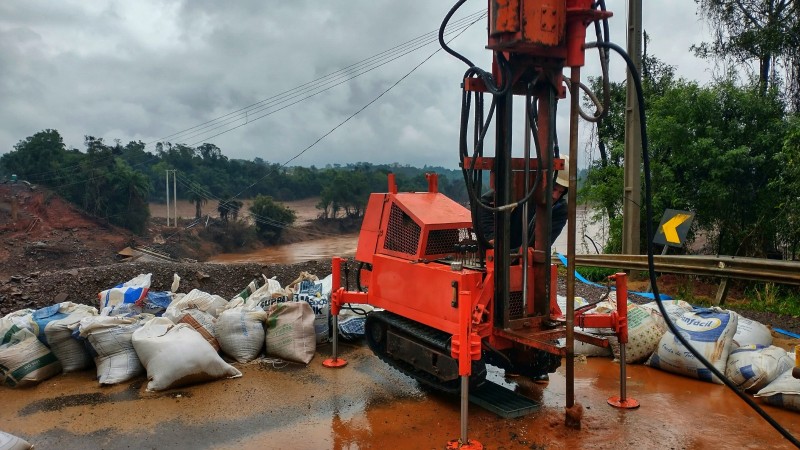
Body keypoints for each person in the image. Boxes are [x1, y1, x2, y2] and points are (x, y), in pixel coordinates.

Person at [479, 155, 571, 249]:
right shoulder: (519, 192)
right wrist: (493, 238)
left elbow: (539, 247)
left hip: (526, 258)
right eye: (553, 189)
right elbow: (483, 204)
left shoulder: (559, 210)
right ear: (542, 181)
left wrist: (514, 255)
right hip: (498, 254)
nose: (555, 196)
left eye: (561, 192)